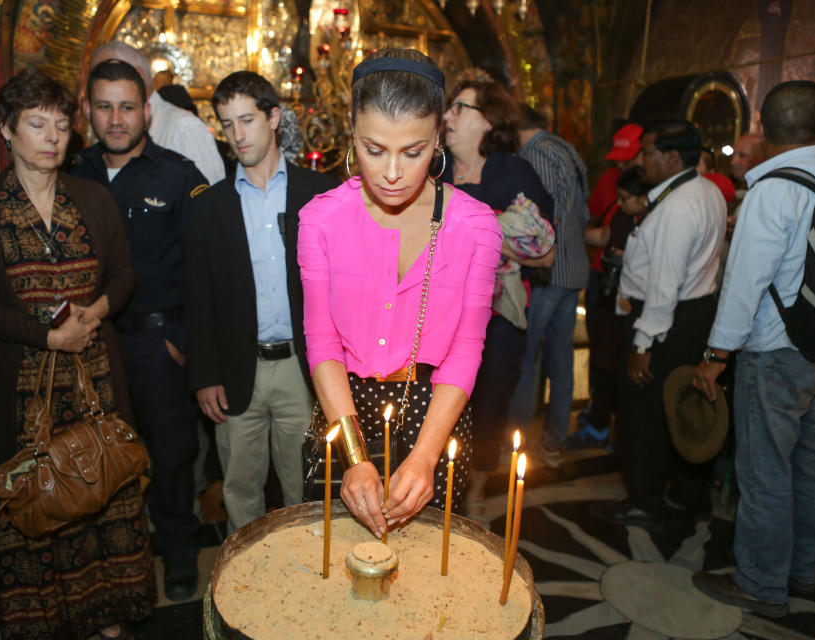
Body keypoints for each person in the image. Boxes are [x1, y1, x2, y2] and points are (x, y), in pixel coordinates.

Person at [0, 69, 153, 640]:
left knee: (103, 494)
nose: (52, 137)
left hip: (94, 381)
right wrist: (47, 338)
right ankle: (44, 621)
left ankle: (107, 615)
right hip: (15, 392)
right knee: (33, 510)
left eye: (62, 126)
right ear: (6, 131)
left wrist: (100, 309)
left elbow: (123, 273)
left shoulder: (93, 198)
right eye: (37, 124)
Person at [298, 48, 502, 537]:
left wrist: (427, 454)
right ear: (352, 135)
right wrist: (353, 454)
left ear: (438, 140)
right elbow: (323, 344)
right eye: (374, 149)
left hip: (433, 411)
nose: (392, 172)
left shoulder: (476, 227)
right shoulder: (320, 220)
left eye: (413, 152)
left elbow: (466, 349)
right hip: (342, 408)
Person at [691, 80, 815, 619]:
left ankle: (760, 583)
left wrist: (717, 354)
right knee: (808, 464)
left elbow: (745, 282)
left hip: (772, 352)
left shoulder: (772, 190)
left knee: (764, 472)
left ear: (766, 132)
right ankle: (802, 571)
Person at [70, 59, 208, 601]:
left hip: (157, 343)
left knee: (171, 459)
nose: (116, 118)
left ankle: (178, 556)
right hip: (88, 343)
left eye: (127, 106)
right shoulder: (71, 173)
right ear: (88, 112)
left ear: (147, 110)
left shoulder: (177, 174)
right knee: (99, 458)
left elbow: (208, 266)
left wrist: (184, 341)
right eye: (104, 106)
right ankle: (115, 560)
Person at [185, 71, 337, 531]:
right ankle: (243, 591)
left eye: (246, 120)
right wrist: (205, 374)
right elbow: (199, 296)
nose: (237, 135)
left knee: (306, 489)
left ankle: (306, 584)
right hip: (235, 369)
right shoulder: (209, 206)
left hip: (302, 367)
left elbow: (339, 285)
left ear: (273, 117)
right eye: (227, 124)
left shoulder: (319, 193)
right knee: (240, 491)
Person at [590, 120, 726, 528]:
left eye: (647, 152)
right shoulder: (704, 191)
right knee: (676, 404)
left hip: (664, 317)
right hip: (693, 313)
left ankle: (645, 499)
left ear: (671, 158)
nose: (639, 160)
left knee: (642, 413)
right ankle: (686, 495)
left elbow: (665, 284)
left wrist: (642, 344)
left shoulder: (677, 207)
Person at [441, 78, 554, 522]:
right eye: (448, 108)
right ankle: (435, 488)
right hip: (438, 313)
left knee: (489, 404)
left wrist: (471, 228)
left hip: (495, 318)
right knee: (441, 403)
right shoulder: (436, 166)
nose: (447, 116)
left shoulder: (511, 171)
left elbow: (544, 250)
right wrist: (495, 228)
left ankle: (476, 492)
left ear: (488, 120)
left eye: (460, 108)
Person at [511, 103, 590, 454]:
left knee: (527, 358)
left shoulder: (534, 155)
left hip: (548, 270)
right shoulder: (565, 148)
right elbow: (582, 208)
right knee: (561, 358)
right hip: (574, 267)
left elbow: (544, 219)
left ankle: (517, 439)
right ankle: (555, 438)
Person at [579, 123, 644, 449]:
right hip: (606, 289)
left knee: (621, 362)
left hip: (632, 300)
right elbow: (602, 234)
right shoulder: (619, 203)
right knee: (604, 356)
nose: (620, 166)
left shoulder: (652, 214)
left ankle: (612, 423)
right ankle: (600, 416)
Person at [90, 42, 225, 185]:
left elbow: (210, 199)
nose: (115, 119)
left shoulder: (184, 126)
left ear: (138, 76)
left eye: (109, 72)